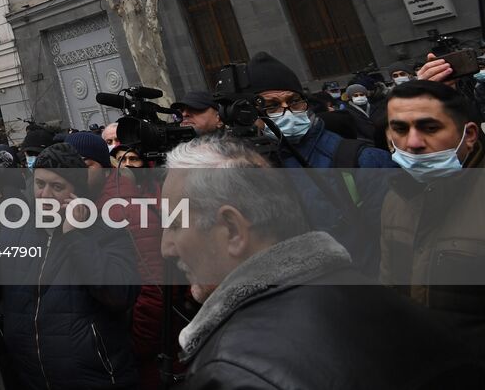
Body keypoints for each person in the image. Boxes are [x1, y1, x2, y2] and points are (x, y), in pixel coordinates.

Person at [162, 135, 481, 389]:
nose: (167, 248)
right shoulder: (378, 294)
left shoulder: (234, 370)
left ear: (232, 229)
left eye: (176, 225)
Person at [0, 143, 140, 389]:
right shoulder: (17, 230)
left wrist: (76, 235)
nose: (44, 195)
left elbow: (120, 294)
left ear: (78, 191)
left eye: (57, 187)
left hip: (96, 377)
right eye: (40, 184)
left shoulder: (106, 230)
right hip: (33, 376)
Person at [240, 51, 393, 267]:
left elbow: (396, 244)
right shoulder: (244, 170)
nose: (287, 112)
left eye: (294, 102)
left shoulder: (361, 160)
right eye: (271, 106)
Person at [380, 80, 485, 344]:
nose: (413, 143)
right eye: (400, 129)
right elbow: (390, 286)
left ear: (469, 135)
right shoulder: (395, 199)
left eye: (430, 128)